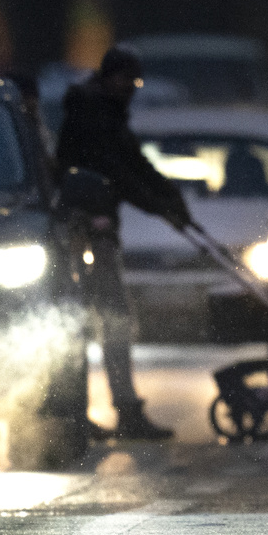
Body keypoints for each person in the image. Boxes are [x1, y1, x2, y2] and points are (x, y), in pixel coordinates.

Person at [56, 45, 193, 441]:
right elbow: (117, 172)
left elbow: (134, 163)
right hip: (85, 233)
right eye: (128, 81)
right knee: (102, 320)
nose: (132, 89)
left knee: (109, 320)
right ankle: (89, 411)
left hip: (99, 230)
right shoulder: (91, 114)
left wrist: (171, 198)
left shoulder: (107, 113)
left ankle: (109, 409)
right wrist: (160, 207)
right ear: (110, 77)